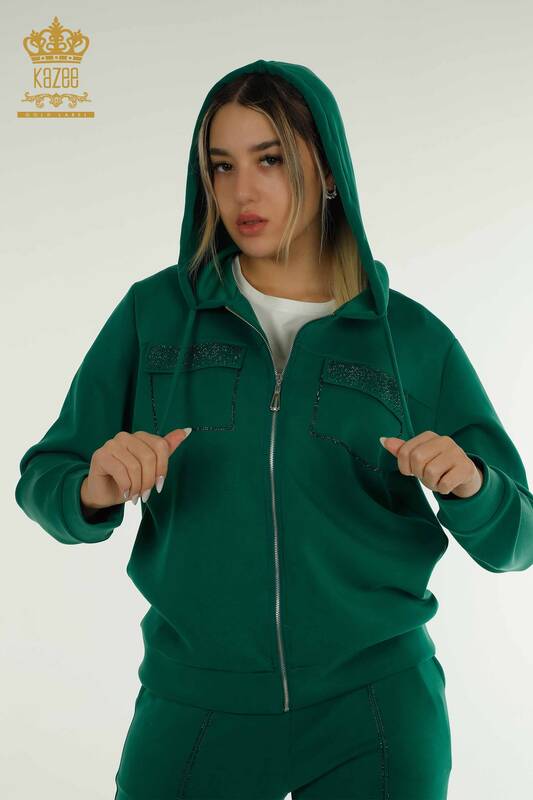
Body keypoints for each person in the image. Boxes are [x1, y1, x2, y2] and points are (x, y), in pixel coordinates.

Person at [15, 59, 533, 800]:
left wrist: (473, 487)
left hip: (375, 710)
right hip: (195, 705)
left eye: (271, 160)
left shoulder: (412, 341)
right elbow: (44, 476)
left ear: (328, 171)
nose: (242, 193)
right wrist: (90, 490)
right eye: (221, 166)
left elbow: (518, 539)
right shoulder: (153, 317)